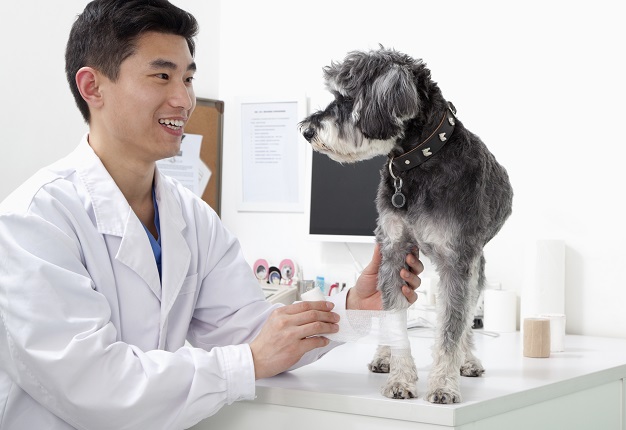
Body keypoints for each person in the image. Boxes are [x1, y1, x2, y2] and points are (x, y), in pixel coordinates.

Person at [0, 1, 423, 429]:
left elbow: (251, 333)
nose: (184, 99)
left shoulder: (192, 218)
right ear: (93, 87)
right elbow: (94, 387)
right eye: (162, 76)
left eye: (187, 78)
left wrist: (353, 308)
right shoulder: (35, 221)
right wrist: (244, 364)